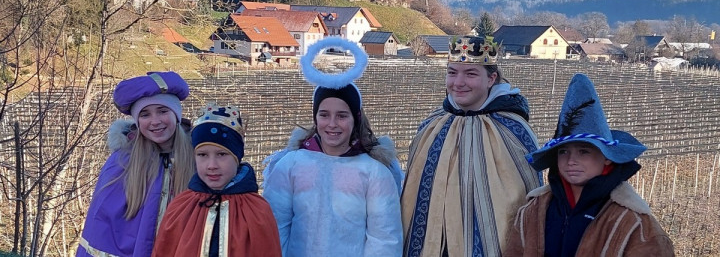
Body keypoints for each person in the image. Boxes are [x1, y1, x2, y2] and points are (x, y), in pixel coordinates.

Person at [401, 35, 542, 257]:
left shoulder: (514, 130)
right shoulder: (432, 125)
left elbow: (528, 200)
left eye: (471, 73)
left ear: (491, 78)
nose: (458, 82)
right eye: (452, 72)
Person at [262, 36, 403, 257]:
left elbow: (384, 239)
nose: (332, 124)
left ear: (355, 119)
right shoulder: (290, 165)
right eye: (324, 115)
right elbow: (275, 227)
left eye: (342, 116)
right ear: (315, 117)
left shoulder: (374, 172)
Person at [505, 73, 675, 256]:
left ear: (607, 157)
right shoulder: (533, 211)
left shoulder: (634, 224)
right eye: (563, 151)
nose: (571, 160)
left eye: (584, 151)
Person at [77, 71, 195, 257]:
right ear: (137, 121)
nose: (155, 121)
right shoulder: (122, 162)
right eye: (145, 114)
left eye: (163, 111)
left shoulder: (198, 158)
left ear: (177, 115)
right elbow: (102, 226)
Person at [151, 103, 282, 257]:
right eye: (202, 155)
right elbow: (163, 251)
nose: (212, 165)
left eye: (221, 154)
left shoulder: (257, 210)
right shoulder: (181, 206)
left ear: (237, 157)